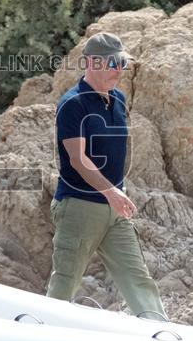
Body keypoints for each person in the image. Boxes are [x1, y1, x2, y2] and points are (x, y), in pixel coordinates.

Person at [47, 31, 165, 318]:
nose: (120, 71)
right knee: (64, 286)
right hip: (79, 208)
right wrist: (111, 191)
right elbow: (78, 159)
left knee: (139, 279)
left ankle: (162, 335)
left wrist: (115, 193)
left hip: (113, 211)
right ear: (92, 63)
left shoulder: (119, 99)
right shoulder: (73, 104)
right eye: (114, 64)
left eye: (123, 64)